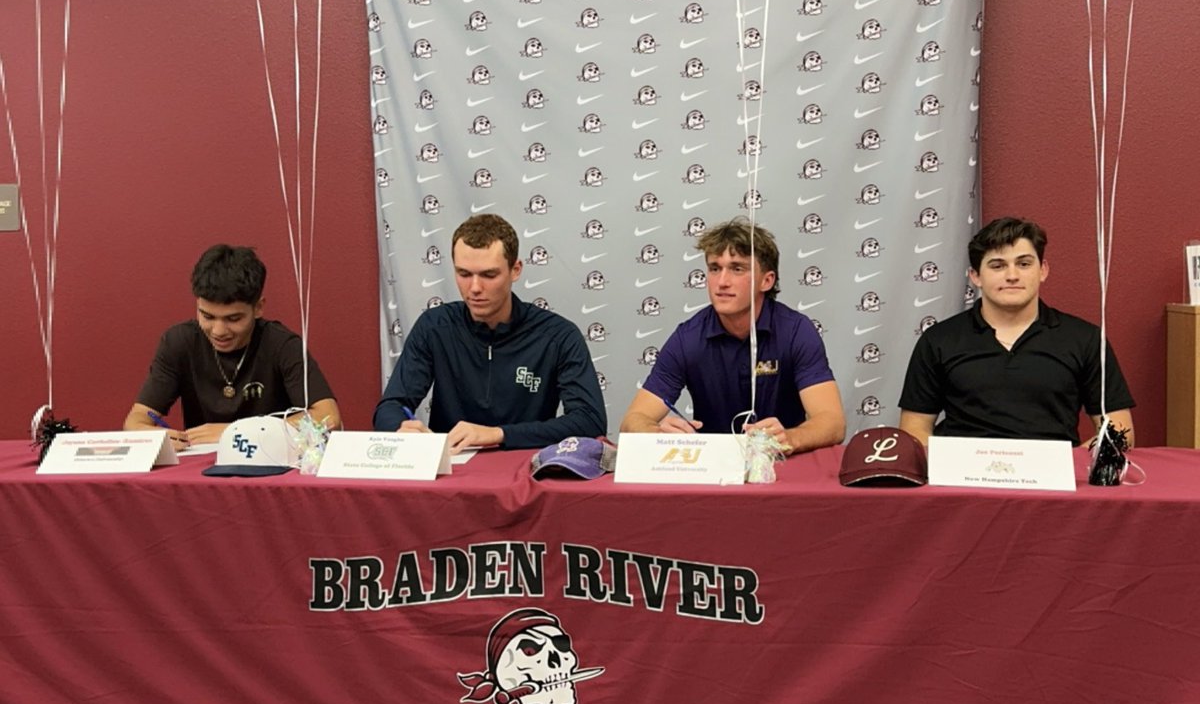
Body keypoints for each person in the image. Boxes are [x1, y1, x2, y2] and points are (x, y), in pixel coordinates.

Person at [374, 213, 606, 452]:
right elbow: (390, 406)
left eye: (488, 275)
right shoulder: (434, 327)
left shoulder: (559, 336)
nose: (474, 288)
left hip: (525, 474)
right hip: (451, 472)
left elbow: (589, 420)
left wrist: (497, 434)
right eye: (464, 274)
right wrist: (401, 428)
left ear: (515, 270)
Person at [899, 216, 1135, 447]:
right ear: (975, 276)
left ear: (1042, 270)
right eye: (998, 265)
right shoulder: (939, 340)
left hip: (1055, 480)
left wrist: (1070, 467)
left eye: (1024, 264)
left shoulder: (1086, 339)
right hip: (962, 482)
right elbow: (914, 429)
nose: (1012, 276)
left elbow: (1120, 432)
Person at [619, 217, 845, 454]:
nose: (722, 282)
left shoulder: (796, 331)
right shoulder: (688, 338)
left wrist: (789, 437)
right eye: (715, 269)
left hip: (780, 466)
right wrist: (658, 433)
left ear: (767, 280)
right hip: (711, 471)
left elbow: (833, 423)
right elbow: (632, 421)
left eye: (737, 269)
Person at [123, 244, 340, 450]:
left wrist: (235, 432)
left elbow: (328, 417)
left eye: (233, 318)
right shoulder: (178, 342)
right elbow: (135, 421)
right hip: (202, 471)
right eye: (207, 316)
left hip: (269, 467)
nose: (218, 331)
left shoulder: (282, 344)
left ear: (258, 308)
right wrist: (152, 436)